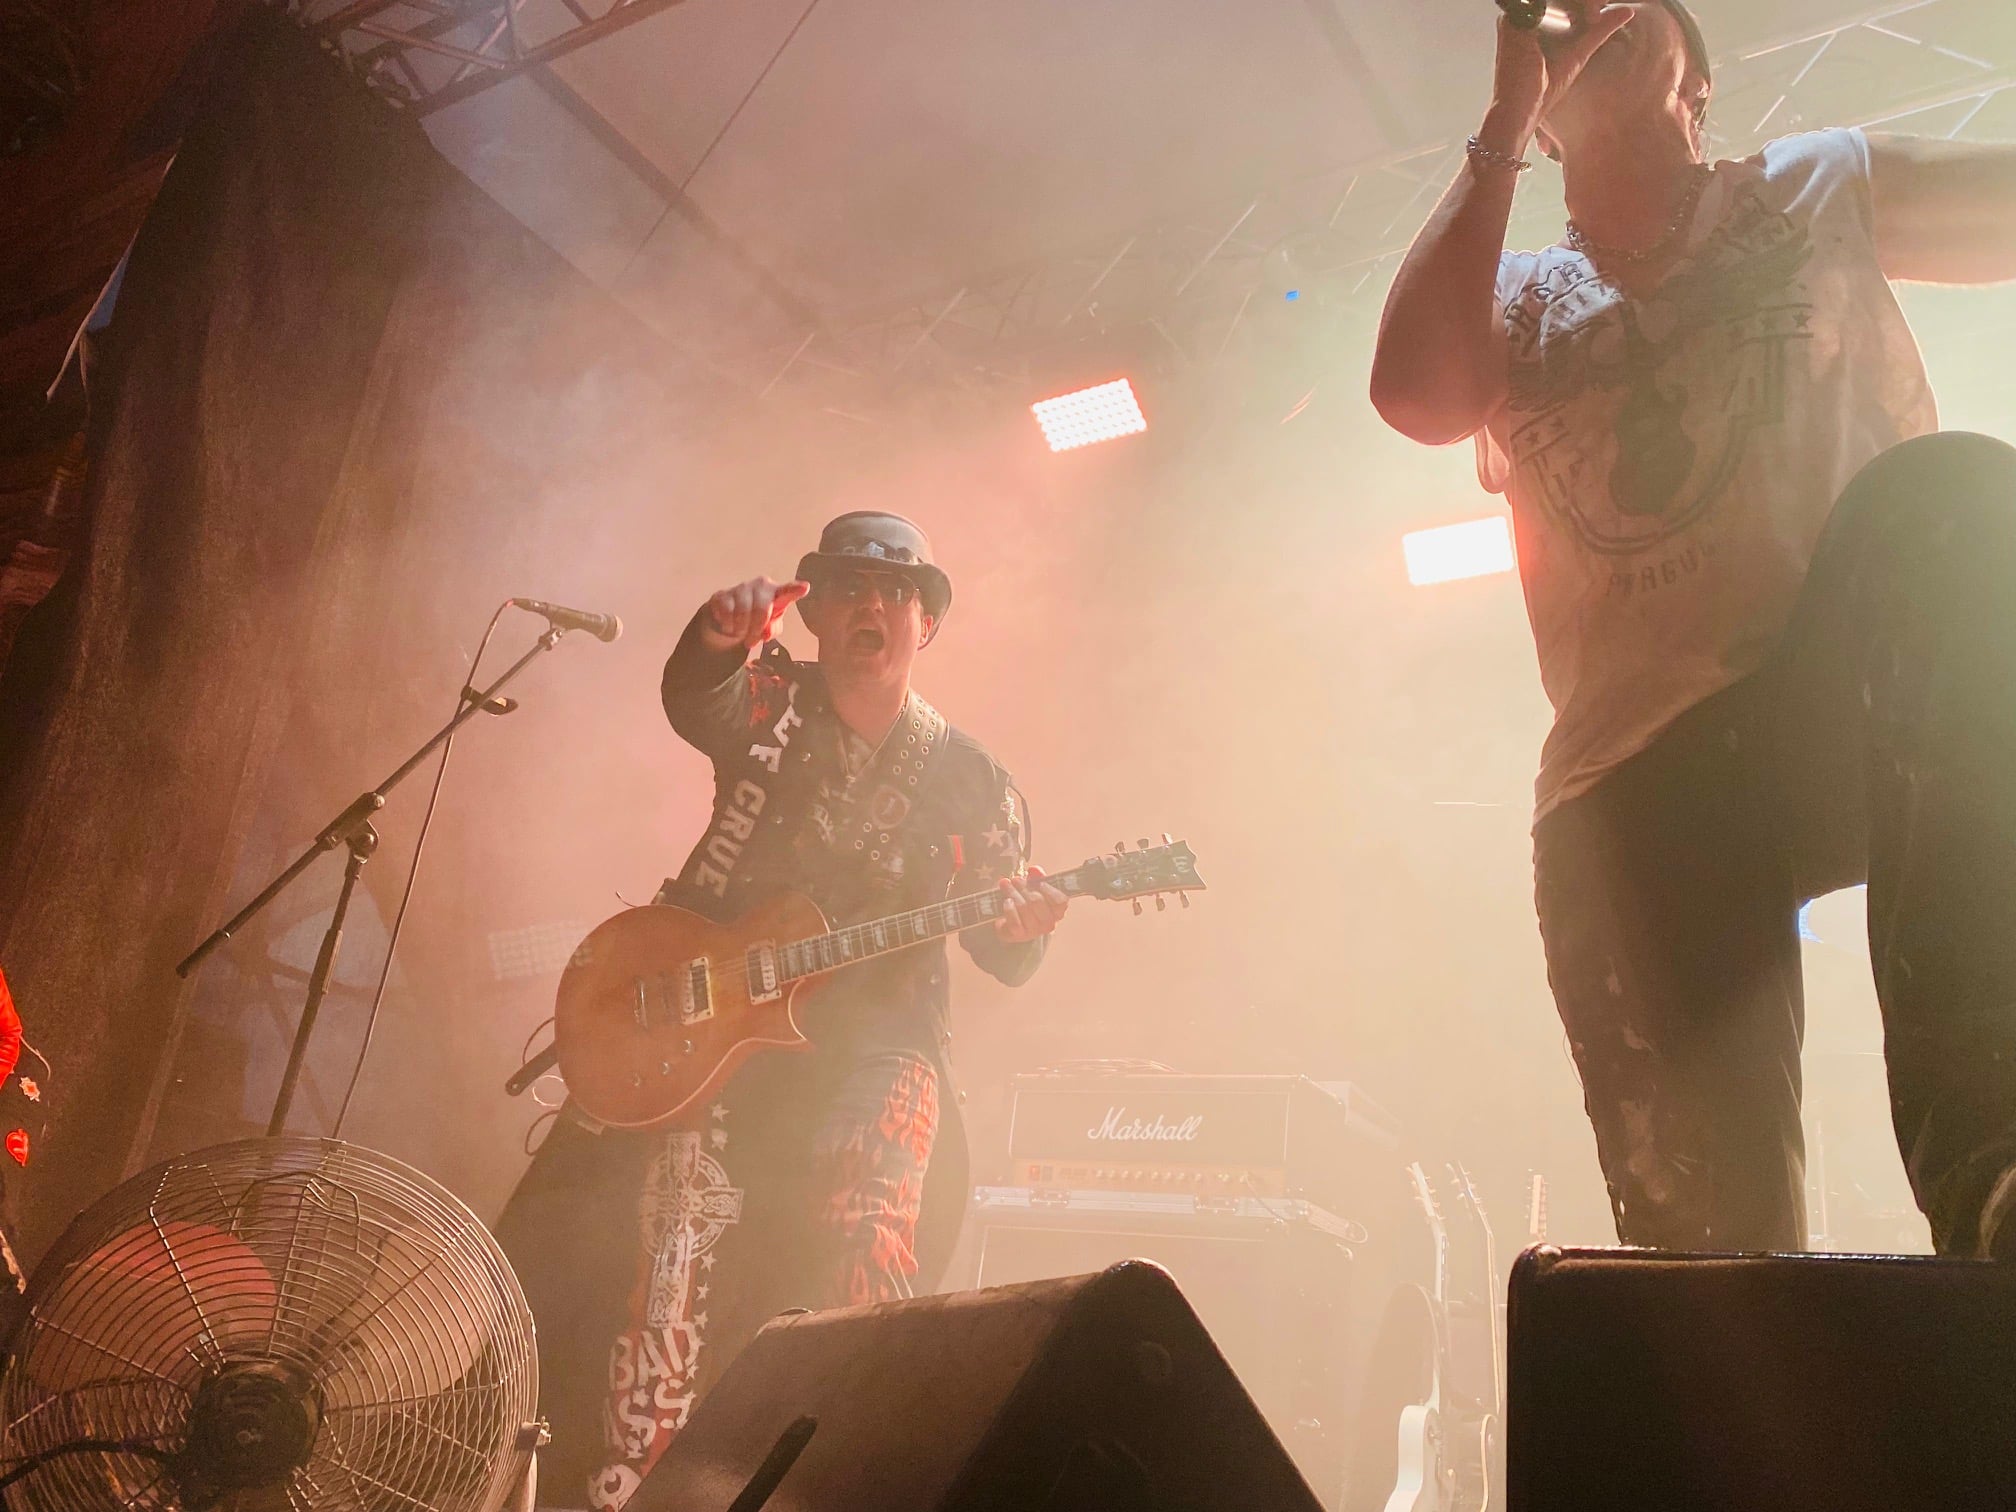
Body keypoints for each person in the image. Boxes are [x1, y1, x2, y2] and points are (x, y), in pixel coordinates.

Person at [1371, 0, 2016, 1256]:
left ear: (1698, 86)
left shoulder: (1817, 183)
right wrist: (1508, 107)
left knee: (1952, 498)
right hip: (1633, 784)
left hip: (1827, 696)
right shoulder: (1506, 292)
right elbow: (1414, 395)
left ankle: (1992, 1170)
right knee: (1723, 1276)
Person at [495, 512, 1069, 1510]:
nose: (871, 606)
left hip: (878, 1041)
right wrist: (719, 636)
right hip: (722, 1022)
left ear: (926, 624)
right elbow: (695, 701)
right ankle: (620, 1476)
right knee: (651, 1236)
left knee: (860, 1225)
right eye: (848, 588)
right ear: (816, 615)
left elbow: (1001, 949)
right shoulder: (774, 705)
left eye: (895, 592)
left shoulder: (973, 779)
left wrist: (1026, 927)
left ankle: (853, 1474)